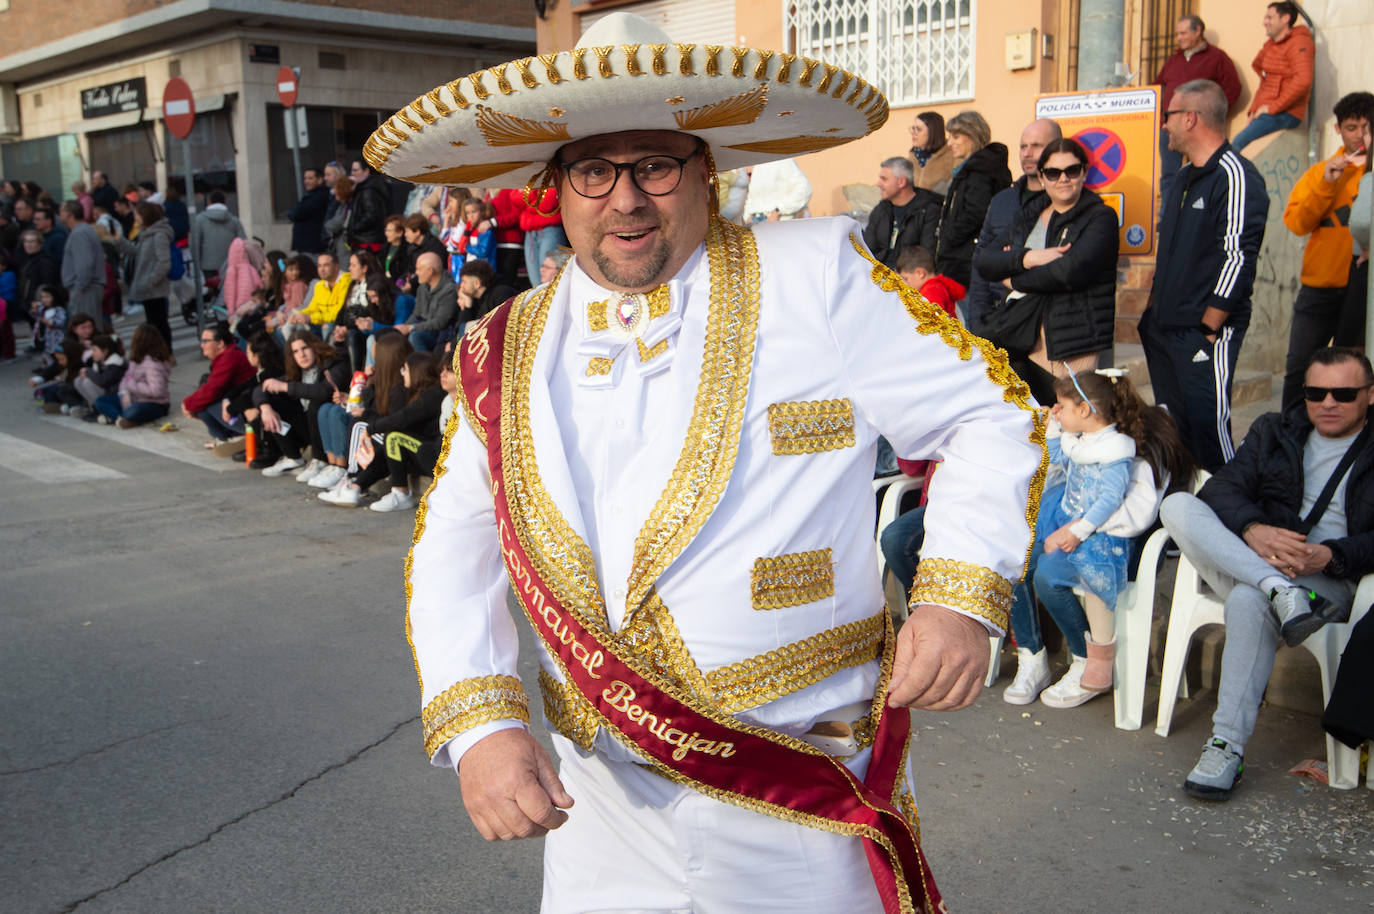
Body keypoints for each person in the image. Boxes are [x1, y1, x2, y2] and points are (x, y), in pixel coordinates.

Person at [383, 13, 1043, 912]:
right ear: (557, 189)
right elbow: (457, 544)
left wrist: (958, 593)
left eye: (655, 164)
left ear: (706, 173)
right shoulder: (501, 344)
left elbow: (992, 411)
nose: (626, 199)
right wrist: (483, 728)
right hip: (600, 814)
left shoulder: (818, 276)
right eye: (594, 170)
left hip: (803, 801)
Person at [1159, 347, 1374, 800]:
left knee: (1246, 599)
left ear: (1370, 396)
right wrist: (1254, 529)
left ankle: (1226, 747)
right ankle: (1276, 588)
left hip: (1326, 582)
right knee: (1176, 504)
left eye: (1343, 393)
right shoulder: (1276, 431)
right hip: (1261, 564)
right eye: (1316, 392)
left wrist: (1330, 555)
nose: (1328, 402)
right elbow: (1221, 491)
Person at [1002, 370, 1195, 706]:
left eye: (1063, 406)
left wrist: (1076, 530)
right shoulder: (1086, 439)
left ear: (1087, 410)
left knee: (1049, 576)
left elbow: (1125, 512)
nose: (1057, 410)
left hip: (1106, 541)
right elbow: (1058, 462)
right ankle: (1032, 655)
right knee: (1014, 559)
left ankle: (1085, 659)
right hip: (1068, 521)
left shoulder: (1128, 457)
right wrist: (1054, 429)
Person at [1139, 79, 1269, 472]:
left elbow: (1238, 257)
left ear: (1191, 118)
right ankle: (1183, 520)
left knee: (1209, 432)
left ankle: (1235, 518)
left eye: (1170, 117)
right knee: (1173, 433)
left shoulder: (1235, 175)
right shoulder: (1181, 178)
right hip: (1164, 329)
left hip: (1201, 332)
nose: (1165, 126)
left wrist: (1210, 325)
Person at [974, 138, 1120, 405]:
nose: (1063, 179)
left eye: (1072, 170)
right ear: (1041, 177)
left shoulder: (1100, 217)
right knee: (1028, 428)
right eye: (1053, 172)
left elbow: (1069, 271)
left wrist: (1013, 278)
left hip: (1070, 342)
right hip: (1020, 339)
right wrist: (1029, 257)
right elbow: (985, 260)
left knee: (1069, 427)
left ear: (1084, 172)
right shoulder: (1028, 215)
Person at [1278, 92, 1374, 411]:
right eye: (1351, 127)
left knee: (1355, 374)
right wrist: (1326, 184)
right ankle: (1290, 436)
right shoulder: (1320, 172)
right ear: (1337, 129)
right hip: (1319, 287)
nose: (1359, 135)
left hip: (1364, 290)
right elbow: (1296, 223)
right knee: (1300, 370)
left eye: (1365, 127)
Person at [964, 118, 1061, 333]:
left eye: (1036, 146)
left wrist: (1011, 264)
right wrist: (978, 325)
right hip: (999, 320)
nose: (1027, 153)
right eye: (1023, 147)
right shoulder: (1002, 201)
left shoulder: (1065, 201)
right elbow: (981, 264)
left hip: (1047, 322)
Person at [1153, 15, 1242, 187]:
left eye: (1183, 33)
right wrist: (1160, 118)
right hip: (1171, 125)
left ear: (1198, 31)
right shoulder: (1174, 60)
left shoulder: (1217, 57)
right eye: (1177, 34)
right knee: (1169, 175)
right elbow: (1158, 87)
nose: (1179, 38)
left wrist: (1212, 115)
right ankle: (1169, 214)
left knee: (1207, 170)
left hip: (1201, 125)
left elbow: (1233, 90)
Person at [934, 110, 1012, 290]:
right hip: (964, 257)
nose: (949, 143)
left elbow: (975, 213)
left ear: (973, 135)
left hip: (965, 261)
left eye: (955, 137)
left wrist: (948, 239)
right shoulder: (972, 168)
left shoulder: (979, 171)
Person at [258, 333, 351, 478]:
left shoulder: (334, 363)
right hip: (308, 428)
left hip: (335, 422)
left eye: (305, 348)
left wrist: (286, 387)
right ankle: (293, 458)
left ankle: (320, 460)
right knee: (270, 404)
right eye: (295, 351)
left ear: (315, 347)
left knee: (316, 403)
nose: (301, 354)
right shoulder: (297, 372)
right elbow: (260, 389)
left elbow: (324, 392)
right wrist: (265, 407)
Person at [1233, 2, 1315, 153]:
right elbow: (1265, 83)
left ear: (1285, 18)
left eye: (1270, 18)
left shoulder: (1299, 42)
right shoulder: (1271, 45)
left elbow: (1303, 80)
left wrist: (1271, 108)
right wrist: (1253, 110)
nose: (1265, 22)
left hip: (1286, 112)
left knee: (1238, 143)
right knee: (1236, 144)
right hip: (1268, 112)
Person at [181, 321, 256, 447]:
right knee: (203, 388)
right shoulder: (227, 355)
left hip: (245, 411)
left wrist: (188, 404)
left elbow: (213, 390)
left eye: (205, 341)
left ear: (220, 343)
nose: (202, 345)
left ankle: (230, 438)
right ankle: (228, 437)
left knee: (204, 404)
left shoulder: (229, 357)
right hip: (239, 404)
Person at [861, 157, 942, 271]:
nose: (878, 184)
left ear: (901, 182)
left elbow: (927, 256)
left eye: (884, 179)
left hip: (908, 279)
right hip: (878, 277)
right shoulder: (881, 209)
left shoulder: (929, 211)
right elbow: (867, 249)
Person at [117, 203, 174, 347]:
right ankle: (160, 353)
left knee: (159, 324)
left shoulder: (158, 235)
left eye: (137, 215)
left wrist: (150, 281)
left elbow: (164, 262)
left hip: (154, 289)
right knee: (153, 324)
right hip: (147, 288)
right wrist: (120, 241)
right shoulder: (146, 234)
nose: (135, 218)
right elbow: (137, 252)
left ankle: (167, 354)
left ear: (146, 216)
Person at [95, 323, 172, 428]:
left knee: (133, 411)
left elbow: (156, 391)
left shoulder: (154, 364)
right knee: (101, 401)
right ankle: (121, 419)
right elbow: (126, 378)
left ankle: (120, 418)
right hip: (133, 398)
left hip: (155, 403)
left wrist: (132, 385)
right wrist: (124, 393)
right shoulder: (135, 361)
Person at [395, 251, 455, 352]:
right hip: (423, 327)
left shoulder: (449, 290)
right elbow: (416, 314)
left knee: (415, 336)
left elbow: (440, 323)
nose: (416, 272)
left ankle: (422, 367)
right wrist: (404, 328)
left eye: (419, 269)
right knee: (395, 335)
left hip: (440, 334)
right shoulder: (422, 287)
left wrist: (411, 328)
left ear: (430, 271)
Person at [287, 251, 351, 334]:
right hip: (322, 321)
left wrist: (310, 318)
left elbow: (337, 314)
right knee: (298, 324)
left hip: (339, 323)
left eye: (326, 265)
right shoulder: (319, 285)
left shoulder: (346, 282)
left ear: (336, 266)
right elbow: (313, 308)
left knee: (328, 327)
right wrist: (298, 315)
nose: (321, 269)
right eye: (319, 266)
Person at [894, 246, 962, 318]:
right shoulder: (935, 287)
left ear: (920, 273)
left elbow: (930, 321)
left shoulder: (932, 291)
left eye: (906, 278)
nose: (905, 284)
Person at [192, 191, 246, 277]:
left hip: (207, 265)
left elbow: (195, 243)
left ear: (209, 202)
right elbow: (243, 243)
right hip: (230, 263)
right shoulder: (234, 221)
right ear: (224, 201)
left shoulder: (200, 220)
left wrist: (197, 264)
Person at [455, 258, 515, 329]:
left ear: (477, 283)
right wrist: (467, 309)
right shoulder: (475, 301)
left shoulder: (500, 294)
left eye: (464, 281)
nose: (461, 285)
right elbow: (462, 334)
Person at [346, 159, 389, 254]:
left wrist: (354, 227)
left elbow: (371, 215)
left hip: (367, 241)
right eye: (352, 170)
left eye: (356, 170)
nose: (352, 173)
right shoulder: (364, 188)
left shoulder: (368, 190)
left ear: (366, 171)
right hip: (366, 239)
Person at [908, 111, 954, 195]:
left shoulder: (951, 157)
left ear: (933, 131)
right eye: (913, 128)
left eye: (918, 129)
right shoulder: (911, 158)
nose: (914, 133)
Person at [222, 237, 267, 322]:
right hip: (251, 302)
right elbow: (260, 285)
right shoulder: (250, 269)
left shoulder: (230, 271)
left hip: (237, 307)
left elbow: (229, 294)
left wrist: (230, 312)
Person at [288, 167, 329, 254]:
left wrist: (294, 213)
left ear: (320, 180)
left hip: (312, 245)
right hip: (305, 245)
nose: (306, 181)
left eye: (310, 178)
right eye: (305, 178)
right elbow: (292, 212)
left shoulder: (320, 195)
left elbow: (298, 213)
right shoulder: (309, 195)